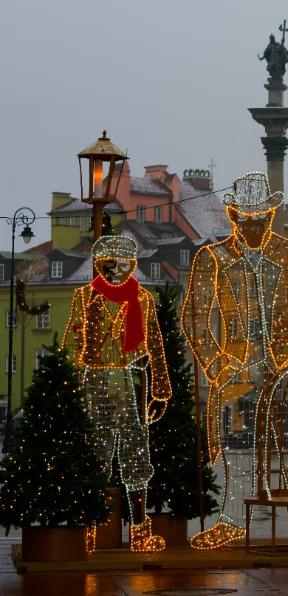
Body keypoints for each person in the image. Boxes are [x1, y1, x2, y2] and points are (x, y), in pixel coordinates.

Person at [182, 172, 288, 548]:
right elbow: (195, 316)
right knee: (237, 448)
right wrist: (216, 363)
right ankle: (231, 520)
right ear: (233, 216)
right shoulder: (213, 258)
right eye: (244, 221)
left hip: (286, 369)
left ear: (270, 217)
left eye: (259, 221)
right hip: (238, 369)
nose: (251, 229)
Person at [65, 235, 172, 552]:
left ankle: (139, 529)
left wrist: (161, 389)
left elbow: (155, 345)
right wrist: (69, 379)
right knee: (95, 455)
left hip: (132, 380)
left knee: (136, 456)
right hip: (95, 379)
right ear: (99, 265)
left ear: (132, 265)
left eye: (123, 264)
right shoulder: (85, 297)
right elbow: (73, 339)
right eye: (109, 264)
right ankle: (89, 531)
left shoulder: (143, 299)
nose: (116, 270)